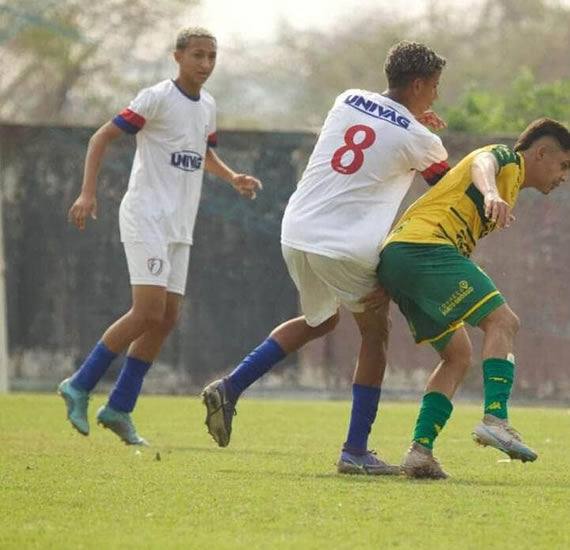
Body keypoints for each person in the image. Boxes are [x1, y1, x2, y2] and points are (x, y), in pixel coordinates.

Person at [201, 41, 449, 475]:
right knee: (375, 332)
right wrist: (423, 133)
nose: (435, 96)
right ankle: (355, 450)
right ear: (417, 85)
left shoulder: (347, 99)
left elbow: (373, 135)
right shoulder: (420, 138)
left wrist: (412, 122)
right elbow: (446, 188)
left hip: (297, 230)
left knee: (321, 321)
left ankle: (231, 386)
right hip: (344, 244)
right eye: (433, 87)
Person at [58, 27, 262, 446]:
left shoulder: (207, 105)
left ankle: (119, 408)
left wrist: (231, 177)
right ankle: (78, 384)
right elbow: (101, 137)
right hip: (146, 216)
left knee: (166, 318)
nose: (205, 63)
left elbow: (202, 152)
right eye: (197, 55)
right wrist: (87, 192)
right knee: (146, 311)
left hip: (179, 225)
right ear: (177, 56)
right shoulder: (156, 97)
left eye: (212, 56)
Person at [377, 118, 570, 478]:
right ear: (541, 153)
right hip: (422, 248)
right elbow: (481, 162)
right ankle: (495, 420)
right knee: (504, 321)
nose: (564, 176)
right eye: (563, 165)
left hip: (398, 259)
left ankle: (420, 451)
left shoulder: (512, 186)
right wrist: (489, 193)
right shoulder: (507, 159)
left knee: (457, 355)